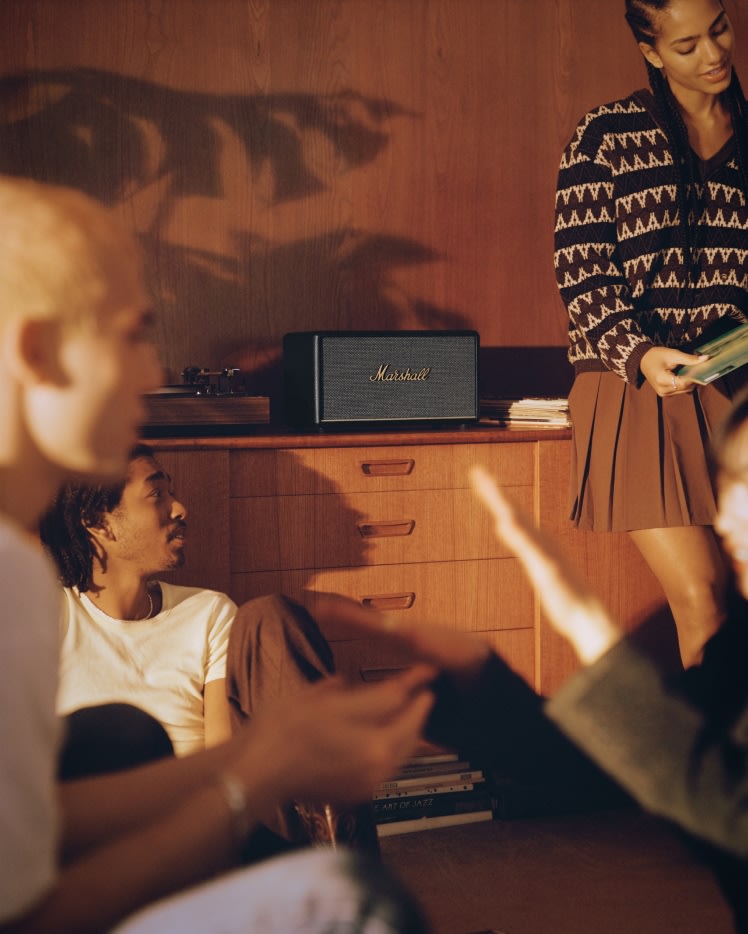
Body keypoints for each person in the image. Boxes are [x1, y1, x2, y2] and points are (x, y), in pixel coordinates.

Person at [0, 173, 435, 933]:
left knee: (122, 739)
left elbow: (46, 822)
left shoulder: (24, 575)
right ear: (38, 348)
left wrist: (264, 760)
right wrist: (243, 787)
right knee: (357, 900)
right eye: (131, 336)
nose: (149, 374)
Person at [313, 386, 748, 930]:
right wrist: (476, 674)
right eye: (730, 483)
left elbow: (726, 809)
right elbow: (610, 770)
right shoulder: (739, 642)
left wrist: (587, 625)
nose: (727, 516)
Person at [40, 442, 378, 849]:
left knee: (270, 617)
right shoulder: (46, 615)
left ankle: (340, 852)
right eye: (157, 494)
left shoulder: (208, 612)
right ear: (99, 522)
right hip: (102, 838)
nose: (180, 509)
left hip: (212, 823)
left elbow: (226, 765)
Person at [554, 0, 748, 667]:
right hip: (634, 386)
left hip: (733, 385)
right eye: (687, 44)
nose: (714, 53)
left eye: (719, 29)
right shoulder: (607, 135)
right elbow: (582, 273)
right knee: (704, 598)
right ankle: (713, 772)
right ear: (652, 51)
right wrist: (636, 352)